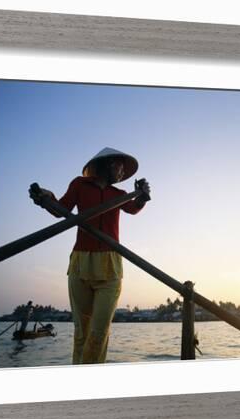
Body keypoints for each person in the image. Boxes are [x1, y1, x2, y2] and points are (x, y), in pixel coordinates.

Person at [29, 147, 150, 364]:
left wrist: (142, 196)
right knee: (82, 332)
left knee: (98, 333)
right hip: (81, 263)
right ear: (107, 165)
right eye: (119, 167)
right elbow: (61, 209)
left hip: (110, 265)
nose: (122, 172)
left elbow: (133, 208)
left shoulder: (119, 195)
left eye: (124, 169)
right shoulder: (79, 184)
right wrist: (46, 198)